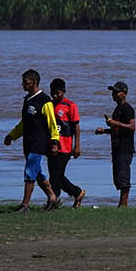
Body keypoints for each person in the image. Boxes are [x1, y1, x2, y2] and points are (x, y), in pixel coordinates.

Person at [3, 68, 60, 211]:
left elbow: (52, 123)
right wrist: (12, 135)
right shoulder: (27, 100)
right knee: (37, 172)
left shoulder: (45, 100)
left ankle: (25, 205)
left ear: (34, 82)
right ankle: (52, 197)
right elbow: (24, 123)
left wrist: (54, 142)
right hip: (28, 142)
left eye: (26, 82)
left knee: (29, 173)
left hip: (39, 143)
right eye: (23, 82)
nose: (23, 85)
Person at [94, 80, 136, 207]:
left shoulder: (127, 108)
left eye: (116, 92)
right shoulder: (117, 109)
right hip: (117, 147)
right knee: (118, 176)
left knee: (123, 176)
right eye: (113, 92)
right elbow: (118, 129)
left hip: (125, 147)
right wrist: (105, 130)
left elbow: (132, 127)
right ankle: (121, 204)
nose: (113, 94)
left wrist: (114, 123)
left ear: (124, 94)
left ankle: (124, 204)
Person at [47, 77, 86, 207]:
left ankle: (54, 201)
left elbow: (76, 127)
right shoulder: (49, 105)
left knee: (55, 176)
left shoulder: (70, 106)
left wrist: (77, 146)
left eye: (58, 93)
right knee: (55, 175)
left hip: (65, 146)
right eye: (53, 92)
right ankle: (77, 192)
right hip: (51, 145)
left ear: (63, 91)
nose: (55, 95)